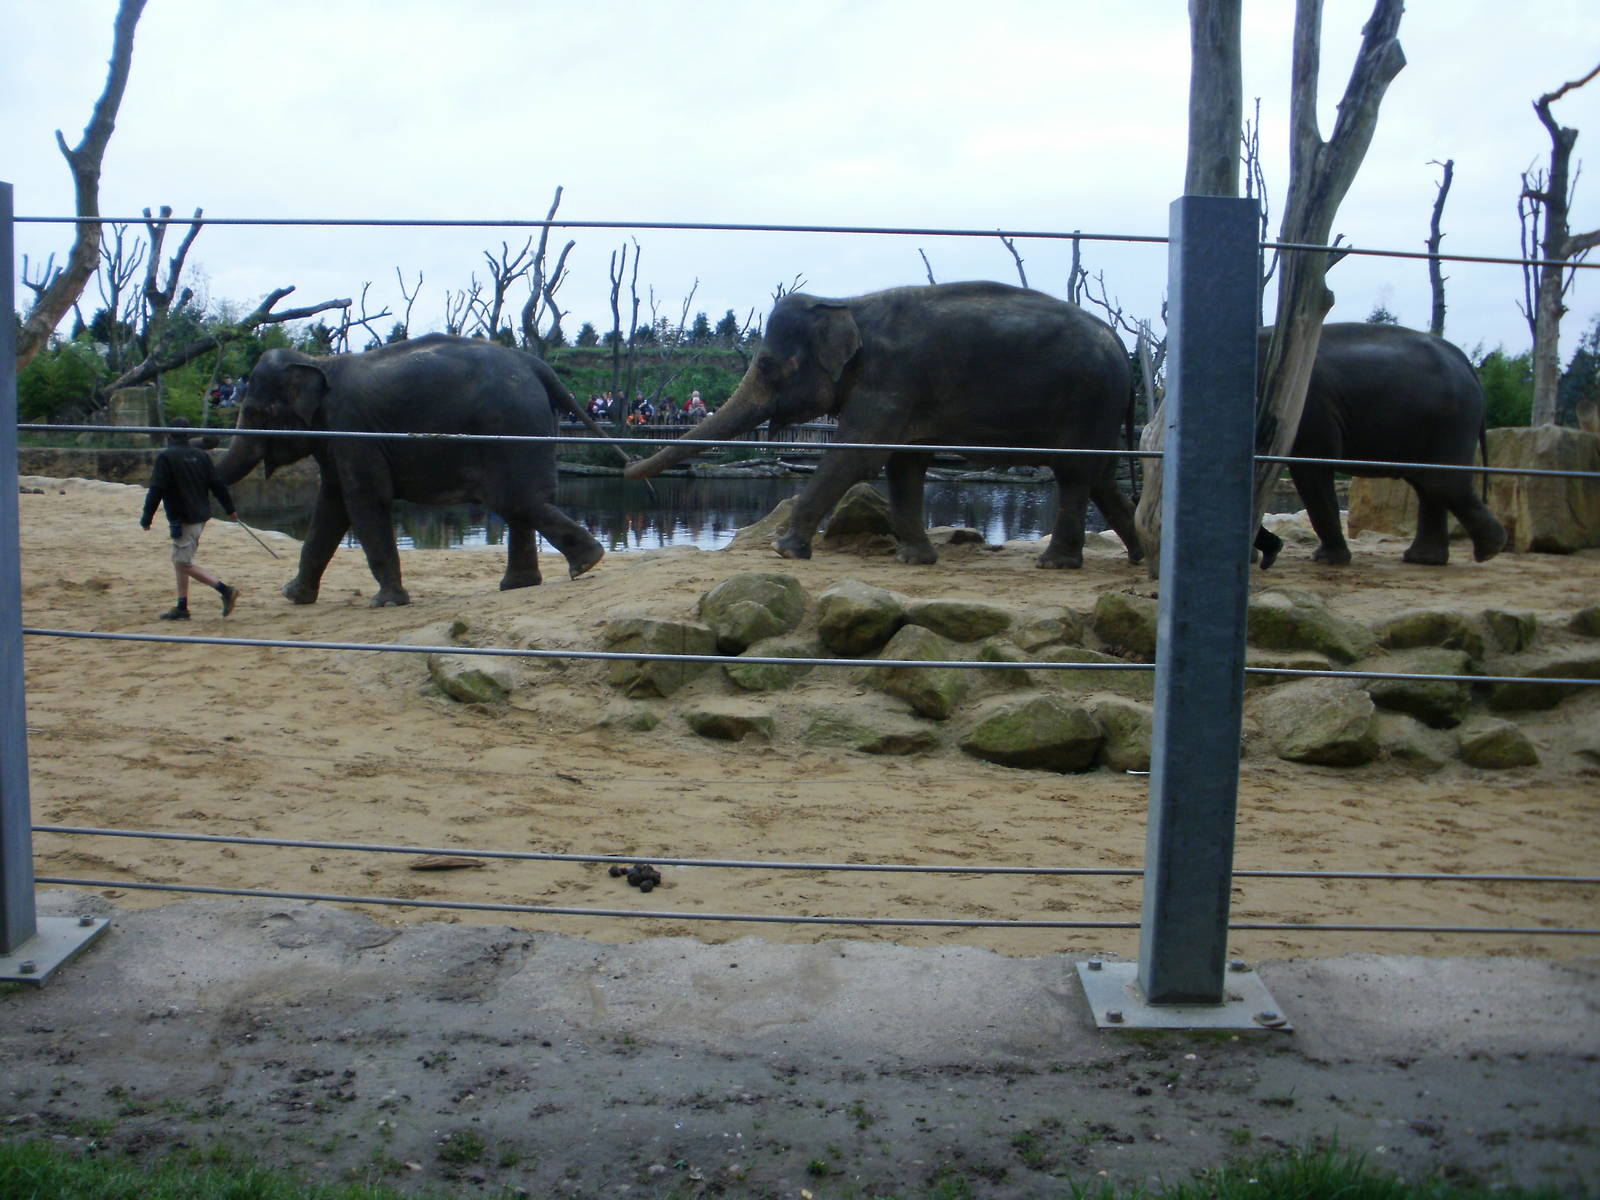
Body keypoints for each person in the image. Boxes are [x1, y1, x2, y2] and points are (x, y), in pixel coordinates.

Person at [139, 417, 242, 620]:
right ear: (189, 434)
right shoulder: (200, 456)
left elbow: (156, 490)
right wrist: (230, 509)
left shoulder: (166, 457)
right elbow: (217, 485)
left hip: (184, 518)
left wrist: (146, 517)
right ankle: (182, 605)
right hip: (200, 517)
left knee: (183, 562)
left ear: (169, 434)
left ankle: (225, 590)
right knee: (180, 560)